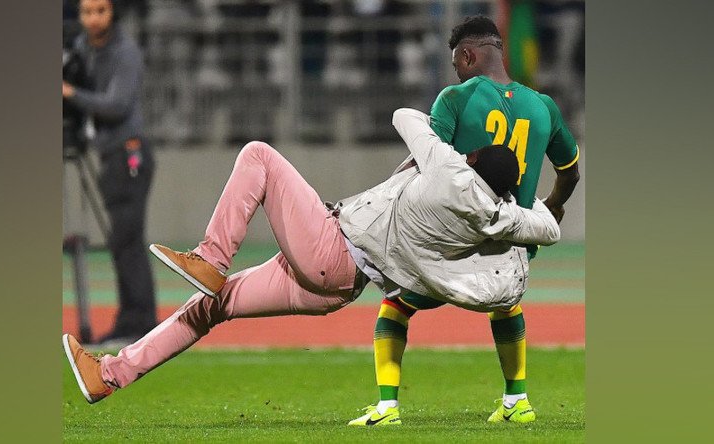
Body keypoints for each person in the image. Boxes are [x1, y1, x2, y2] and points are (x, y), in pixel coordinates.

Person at [63, 107, 561, 407]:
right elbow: (551, 228)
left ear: (470, 160)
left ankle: (211, 258)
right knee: (210, 308)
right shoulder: (495, 215)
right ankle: (109, 376)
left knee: (258, 154)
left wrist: (448, 131)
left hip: (332, 246)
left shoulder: (447, 173)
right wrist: (522, 204)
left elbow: (407, 119)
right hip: (341, 285)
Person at [356, 15, 580, 426]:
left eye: (457, 62)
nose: (456, 70)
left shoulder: (455, 99)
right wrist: (551, 205)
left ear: (468, 54)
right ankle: (518, 401)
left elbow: (429, 165)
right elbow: (571, 171)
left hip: (452, 248)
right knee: (507, 306)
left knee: (394, 305)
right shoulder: (544, 107)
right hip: (509, 251)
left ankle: (387, 407)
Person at [62, 0, 157, 346]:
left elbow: (117, 105)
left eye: (100, 11)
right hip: (107, 154)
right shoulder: (81, 49)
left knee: (127, 239)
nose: (93, 19)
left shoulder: (126, 52)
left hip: (128, 152)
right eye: (87, 12)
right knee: (121, 240)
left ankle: (141, 321)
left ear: (112, 12)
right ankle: (129, 319)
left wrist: (71, 93)